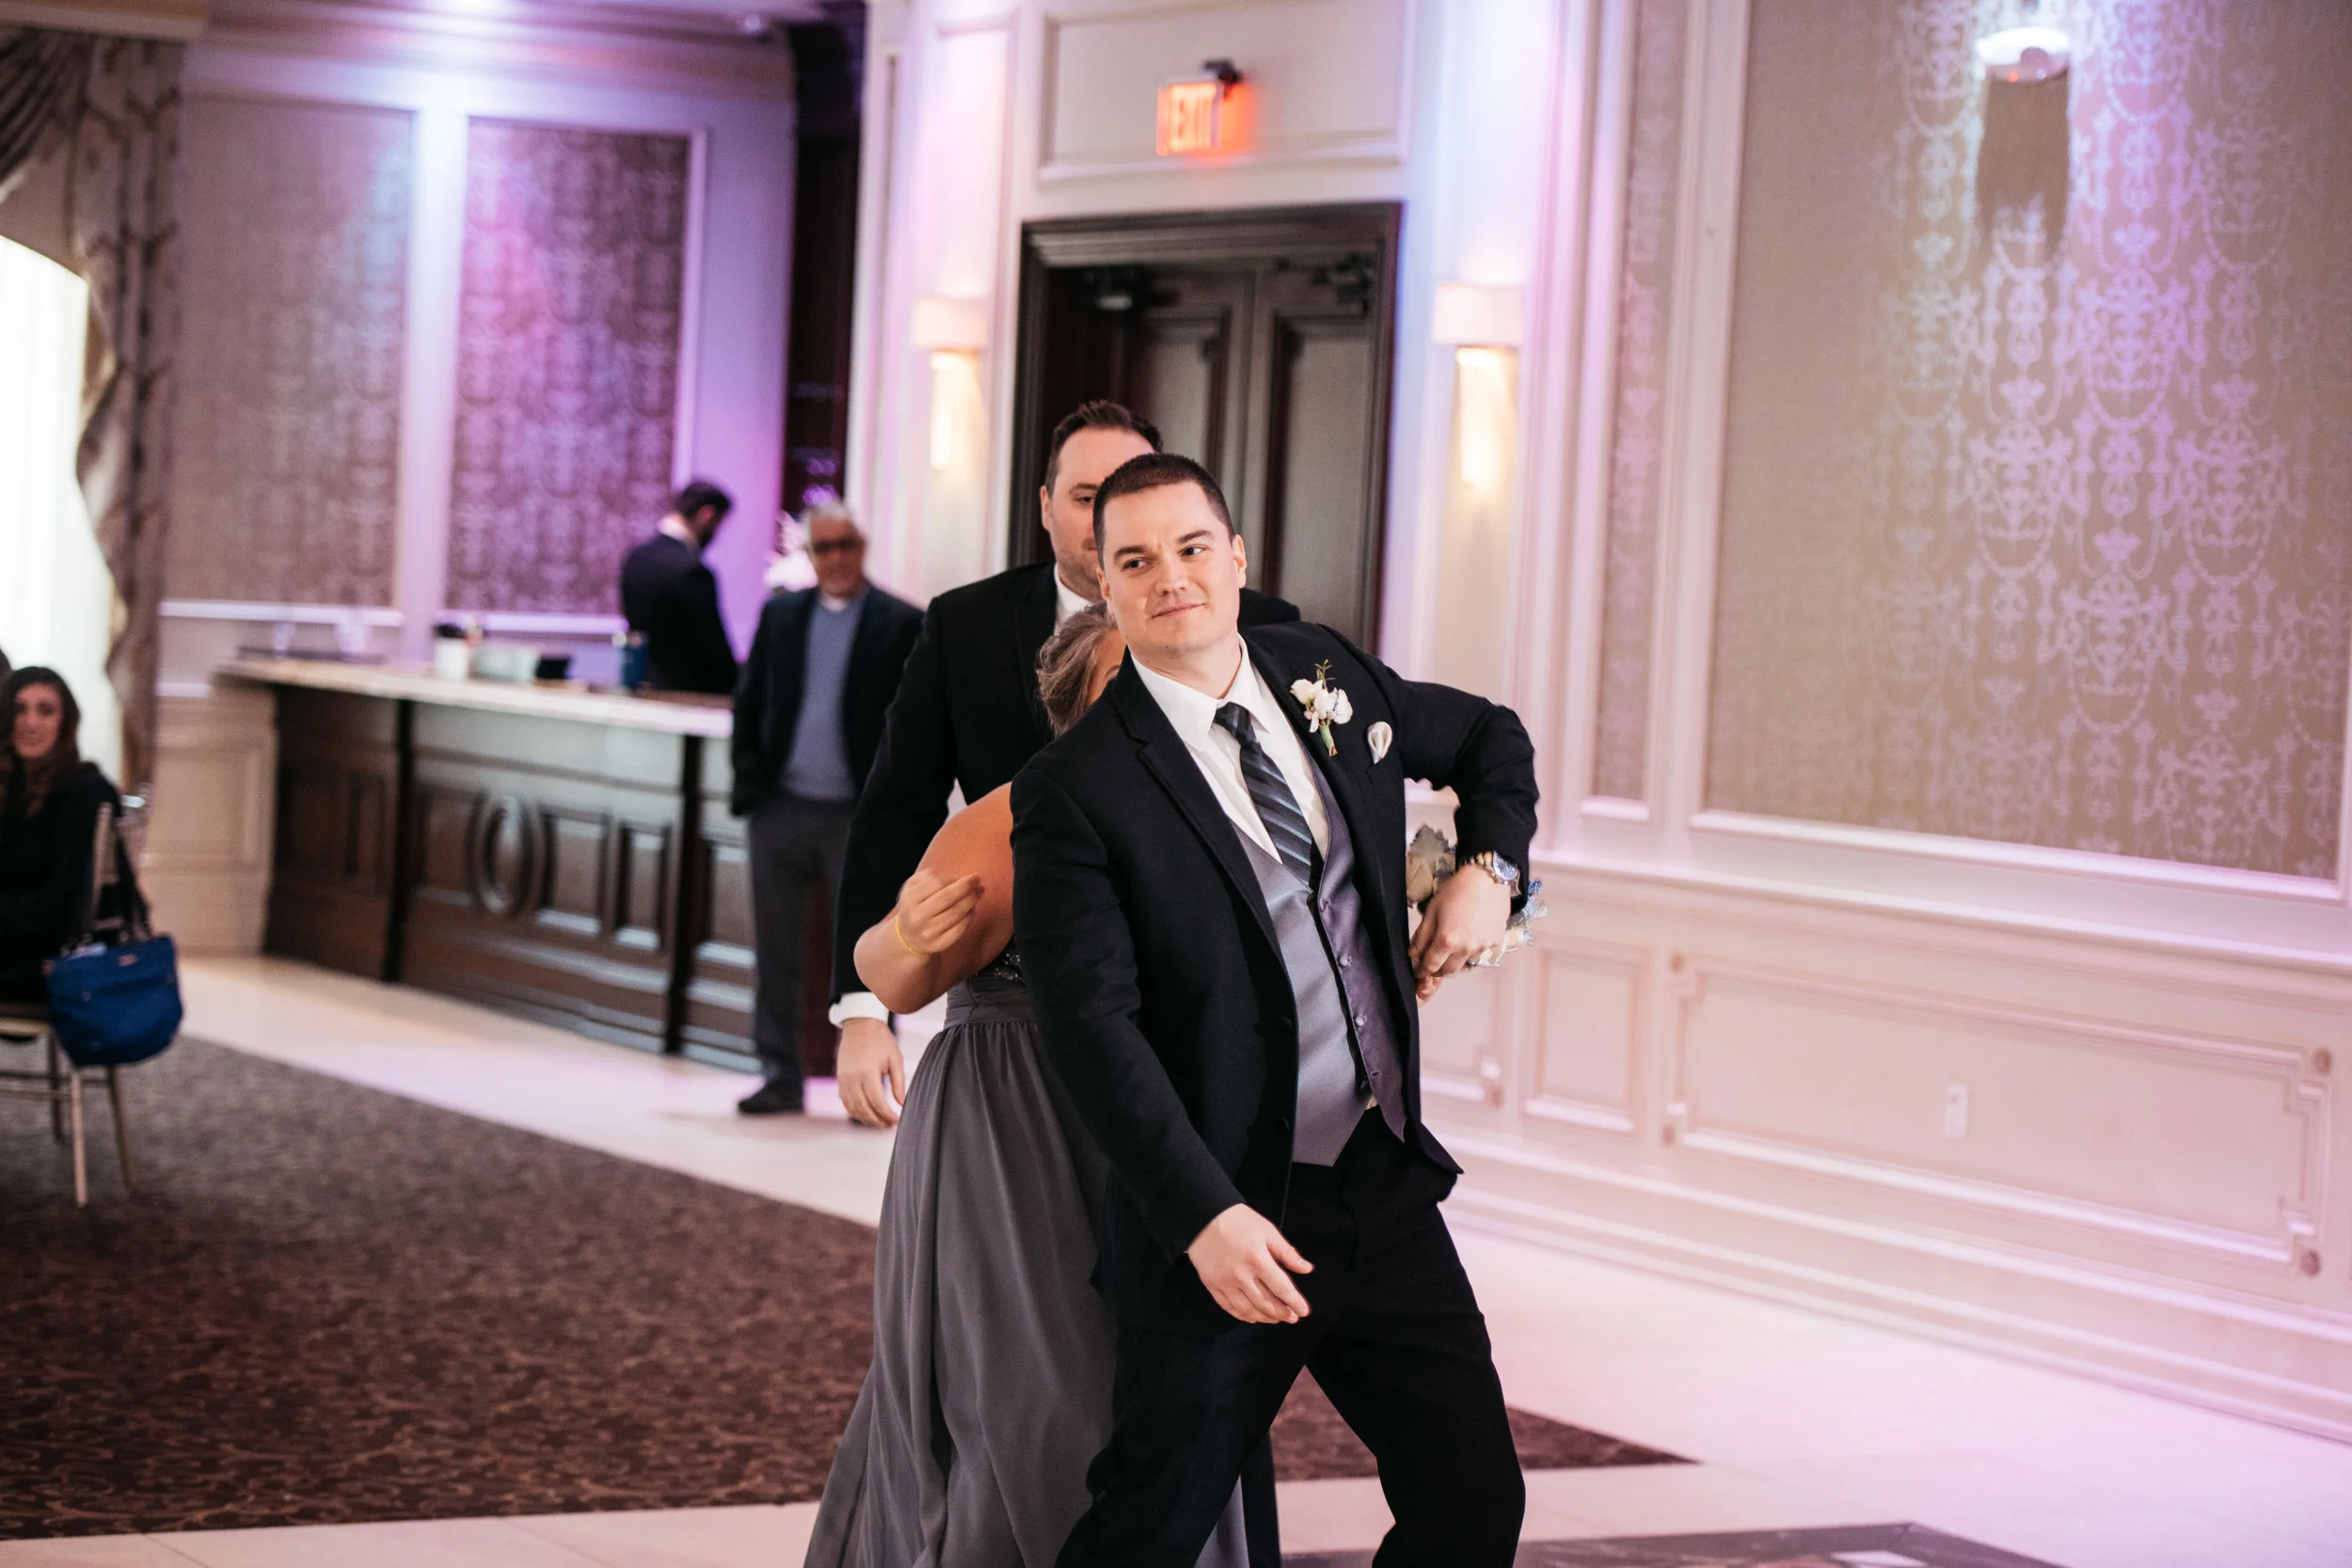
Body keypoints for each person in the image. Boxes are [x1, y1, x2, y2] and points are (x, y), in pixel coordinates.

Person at [1011, 453, 1540, 1567]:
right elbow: (1091, 1029)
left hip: (1380, 1178)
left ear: (1237, 554)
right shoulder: (1077, 787)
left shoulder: (1321, 672)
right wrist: (1203, 1216)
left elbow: (1490, 737)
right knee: (1148, 1529)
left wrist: (1490, 868)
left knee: (1472, 1499)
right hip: (1229, 1210)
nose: (1172, 577)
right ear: (1104, 585)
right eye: (1136, 561)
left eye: (1192, 547)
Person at [806, 605, 1263, 1568]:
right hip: (1012, 1125)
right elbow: (896, 973)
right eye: (1124, 679)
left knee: (1157, 1394)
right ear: (1076, 706)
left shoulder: (1221, 814)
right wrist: (900, 938)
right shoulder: (1015, 813)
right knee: (1039, 1397)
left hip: (1152, 1128)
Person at [829, 401, 1298, 1130]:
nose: (1107, 515)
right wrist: (863, 1012)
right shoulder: (965, 625)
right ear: (1047, 506)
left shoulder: (1259, 623)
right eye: (1086, 497)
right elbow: (896, 809)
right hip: (1012, 1027)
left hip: (1198, 1020)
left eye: (1127, 489)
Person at [728, 505, 921, 1115]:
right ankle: (779, 1074)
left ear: (862, 547)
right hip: (780, 808)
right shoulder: (781, 615)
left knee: (870, 953)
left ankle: (869, 1086)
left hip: (857, 820)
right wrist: (751, 783)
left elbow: (915, 727)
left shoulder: (902, 622)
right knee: (776, 949)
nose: (836, 558)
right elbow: (749, 700)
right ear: (809, 556)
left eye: (846, 545)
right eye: (824, 548)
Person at [0, 669, 123, 1006]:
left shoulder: (85, 791)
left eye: (46, 711)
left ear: (64, 723)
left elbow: (60, 905)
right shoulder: (11, 787)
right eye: (19, 709)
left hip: (53, 958)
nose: (30, 723)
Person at [619, 480, 740, 695]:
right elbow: (713, 648)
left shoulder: (635, 558)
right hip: (690, 695)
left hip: (642, 687)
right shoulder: (692, 571)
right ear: (707, 515)